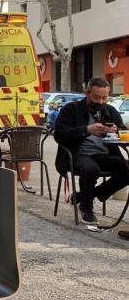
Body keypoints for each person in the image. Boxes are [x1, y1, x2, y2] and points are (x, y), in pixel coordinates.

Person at [54, 77, 129, 224]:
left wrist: (116, 130)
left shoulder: (110, 110)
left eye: (104, 98)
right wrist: (86, 130)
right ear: (86, 93)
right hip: (78, 154)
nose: (100, 102)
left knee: (127, 168)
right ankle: (86, 208)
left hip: (104, 154)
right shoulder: (71, 109)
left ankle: (85, 196)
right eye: (96, 97)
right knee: (90, 169)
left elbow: (123, 131)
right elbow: (59, 135)